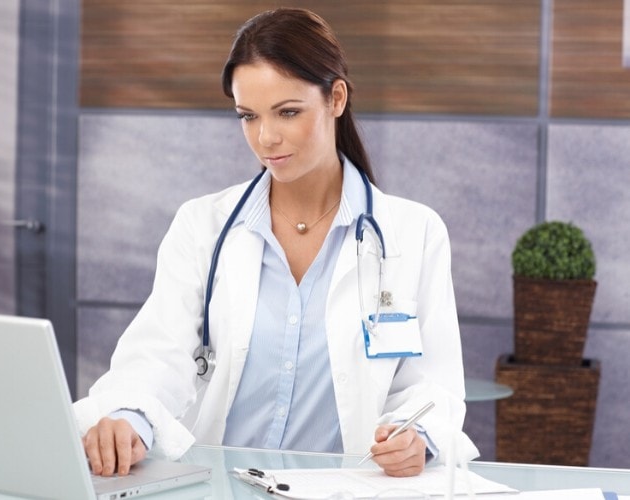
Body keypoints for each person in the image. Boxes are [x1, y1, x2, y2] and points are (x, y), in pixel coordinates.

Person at [74, 7, 479, 479]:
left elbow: (432, 386)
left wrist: (418, 438)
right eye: (248, 116)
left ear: (336, 98)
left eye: (288, 112)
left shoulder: (414, 233)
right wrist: (128, 416)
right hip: (219, 488)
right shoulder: (203, 226)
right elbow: (157, 354)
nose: (266, 138)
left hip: (343, 490)